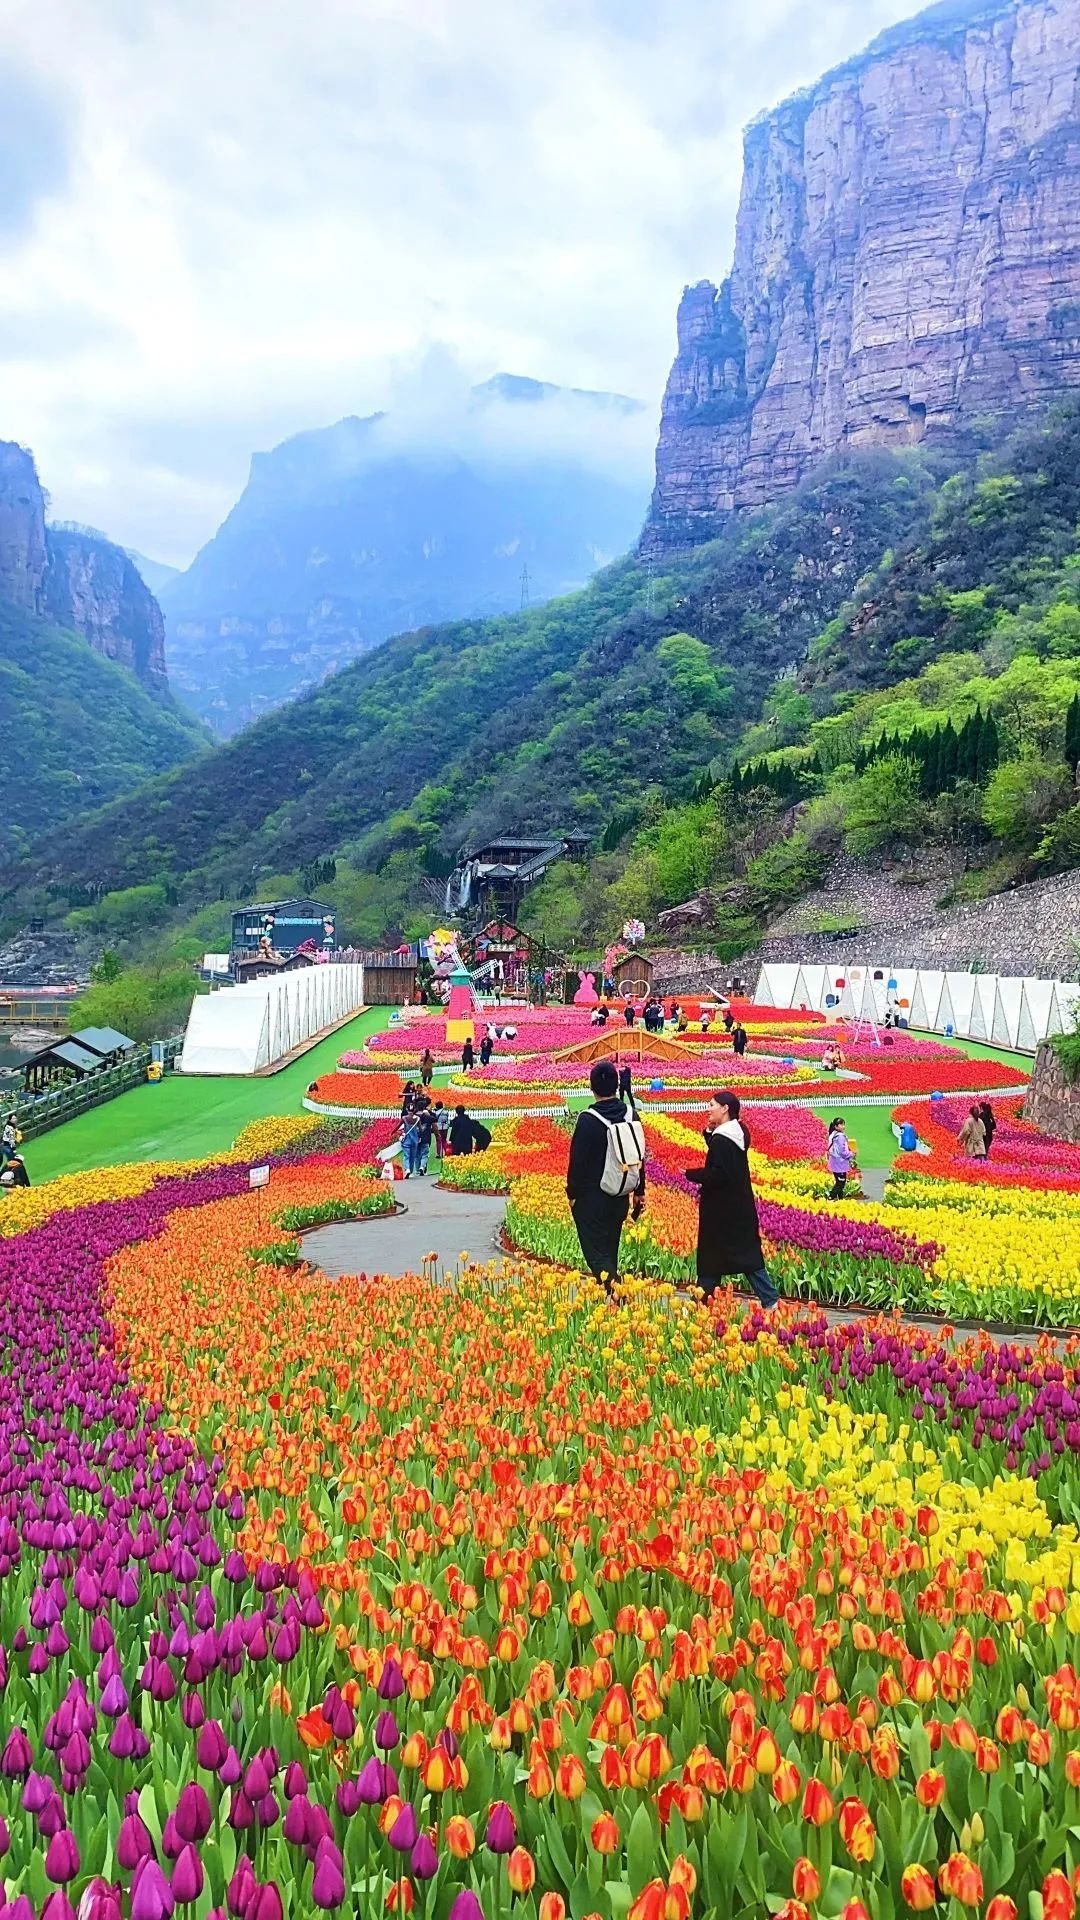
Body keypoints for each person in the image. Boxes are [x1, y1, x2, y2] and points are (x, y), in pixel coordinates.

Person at [684, 1091, 779, 1309]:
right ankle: (769, 1299)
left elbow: (718, 1172)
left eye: (712, 1105)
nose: (708, 1109)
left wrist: (691, 1174)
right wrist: (710, 1132)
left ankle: (701, 1301)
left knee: (713, 1256)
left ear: (725, 1108)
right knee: (746, 1256)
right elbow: (724, 1157)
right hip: (739, 1207)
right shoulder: (738, 1132)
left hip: (720, 1211)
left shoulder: (722, 1139)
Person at [566, 1060, 645, 1290]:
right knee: (610, 1247)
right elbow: (639, 1155)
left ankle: (617, 1292)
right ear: (617, 1085)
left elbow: (577, 1162)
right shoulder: (631, 1115)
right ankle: (613, 1299)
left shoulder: (588, 1119)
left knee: (595, 1253)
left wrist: (572, 1194)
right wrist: (639, 1191)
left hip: (592, 1198)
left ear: (591, 1088)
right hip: (620, 1192)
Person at [826, 1118, 857, 1199]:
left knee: (839, 1182)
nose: (843, 1126)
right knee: (841, 1183)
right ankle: (830, 1198)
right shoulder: (840, 1137)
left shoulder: (832, 1134)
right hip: (840, 1163)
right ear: (836, 1126)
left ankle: (840, 1199)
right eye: (841, 1124)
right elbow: (842, 1152)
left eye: (844, 1124)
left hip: (834, 1162)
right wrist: (851, 1154)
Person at [401, 1112, 423, 1178]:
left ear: (407, 1109)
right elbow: (421, 1129)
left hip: (407, 1139)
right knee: (412, 1156)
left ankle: (407, 1169)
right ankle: (410, 1171)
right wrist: (420, 1137)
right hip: (414, 1140)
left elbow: (398, 1126)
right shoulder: (417, 1119)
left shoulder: (404, 1118)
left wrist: (392, 1133)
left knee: (406, 1156)